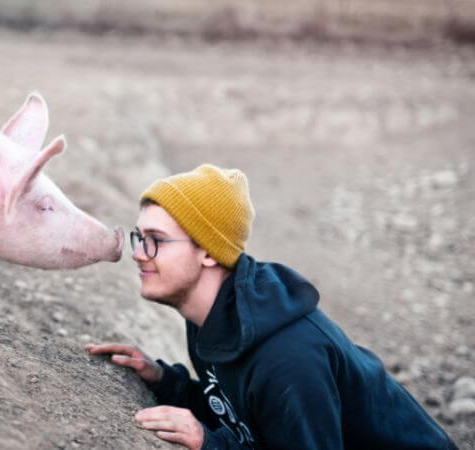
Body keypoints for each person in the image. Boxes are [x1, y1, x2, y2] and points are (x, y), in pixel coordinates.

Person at [86, 164, 457, 449]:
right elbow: (246, 411)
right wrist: (168, 383)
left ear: (209, 253)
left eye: (156, 240)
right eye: (140, 237)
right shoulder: (213, 316)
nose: (137, 254)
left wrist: (212, 444)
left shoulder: (288, 358)